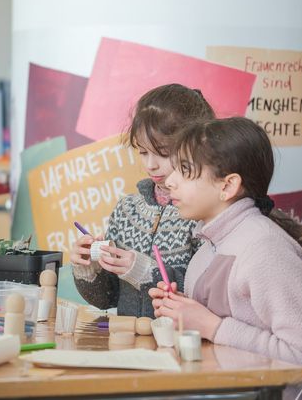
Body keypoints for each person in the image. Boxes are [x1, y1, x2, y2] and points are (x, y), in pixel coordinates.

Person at [149, 117, 302, 399]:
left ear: (228, 186)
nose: (169, 181)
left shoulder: (265, 249)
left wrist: (212, 326)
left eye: (184, 170)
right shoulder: (208, 248)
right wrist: (183, 314)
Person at [70, 84, 215, 317]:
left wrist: (145, 272)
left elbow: (207, 300)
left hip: (180, 337)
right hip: (130, 337)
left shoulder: (203, 213)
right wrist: (90, 268)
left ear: (197, 147)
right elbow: (107, 298)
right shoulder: (127, 210)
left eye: (163, 153)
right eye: (143, 152)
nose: (150, 165)